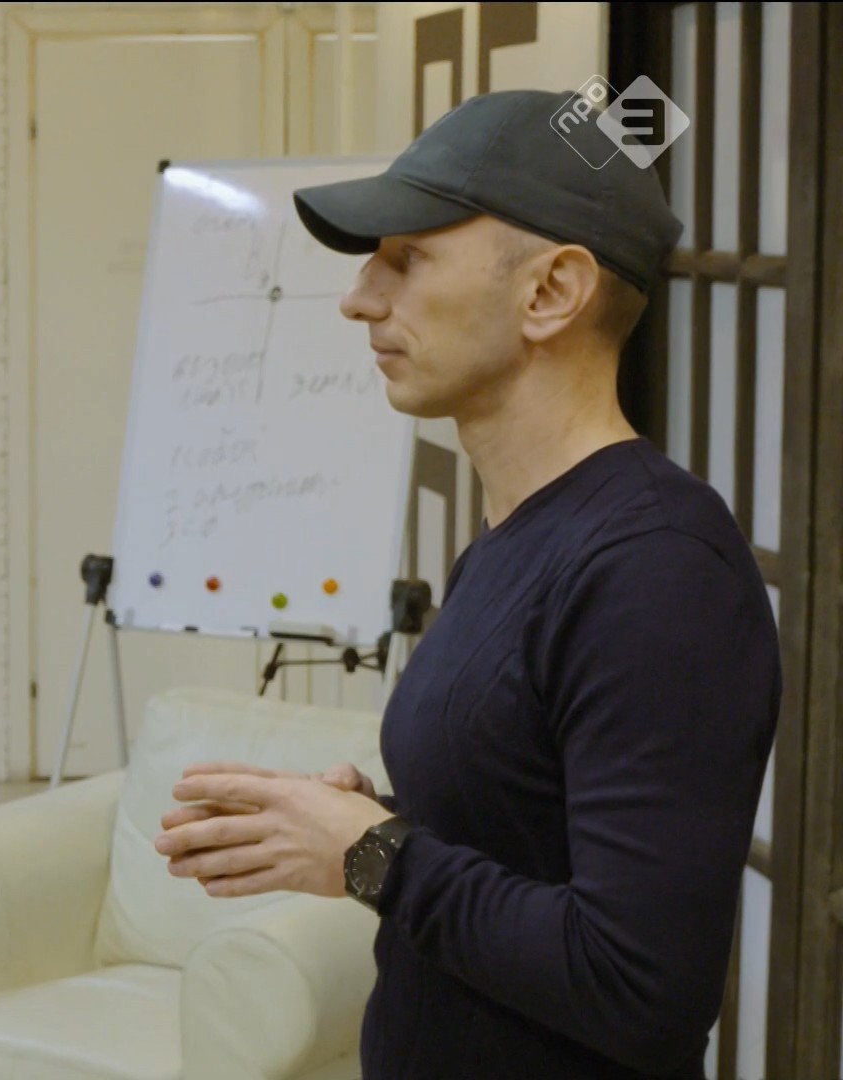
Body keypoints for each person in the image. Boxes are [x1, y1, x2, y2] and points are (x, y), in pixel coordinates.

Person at [152, 89, 781, 1080]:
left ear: (551, 292)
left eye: (407, 259)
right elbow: (530, 823)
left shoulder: (657, 571)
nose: (361, 298)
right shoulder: (515, 532)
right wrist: (364, 821)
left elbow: (639, 989)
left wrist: (376, 854)